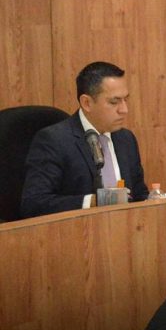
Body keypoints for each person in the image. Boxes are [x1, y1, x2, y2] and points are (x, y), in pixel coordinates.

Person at [20, 61, 149, 218]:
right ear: (87, 103)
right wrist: (92, 202)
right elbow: (34, 203)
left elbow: (139, 195)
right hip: (77, 230)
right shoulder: (54, 141)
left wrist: (156, 200)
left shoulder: (126, 139)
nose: (124, 110)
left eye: (125, 100)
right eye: (114, 102)